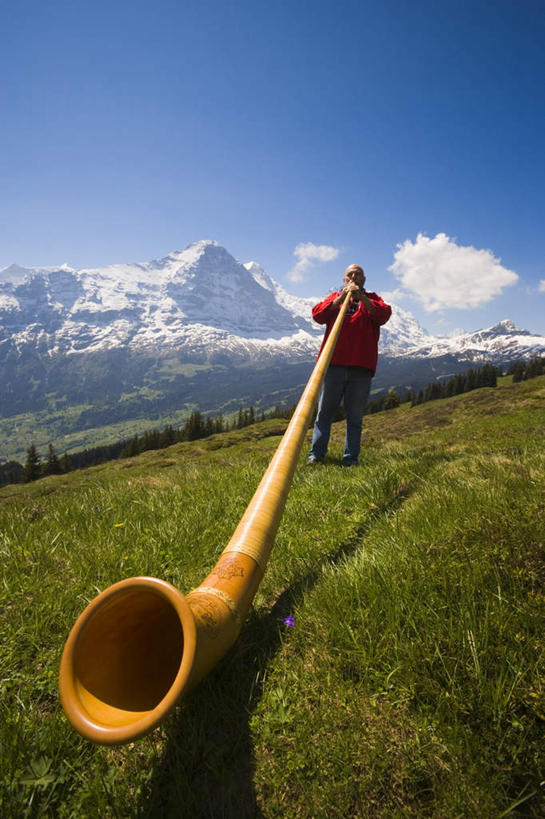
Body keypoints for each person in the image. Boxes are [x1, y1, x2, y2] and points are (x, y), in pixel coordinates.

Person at [308, 264, 391, 466]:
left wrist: (361, 298)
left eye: (358, 274)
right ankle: (316, 455)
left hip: (361, 367)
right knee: (324, 413)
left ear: (364, 279)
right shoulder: (335, 297)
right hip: (333, 364)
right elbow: (318, 315)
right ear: (344, 279)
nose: (354, 276)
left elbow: (383, 315)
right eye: (350, 274)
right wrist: (340, 299)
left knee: (354, 416)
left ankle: (350, 458)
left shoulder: (373, 299)